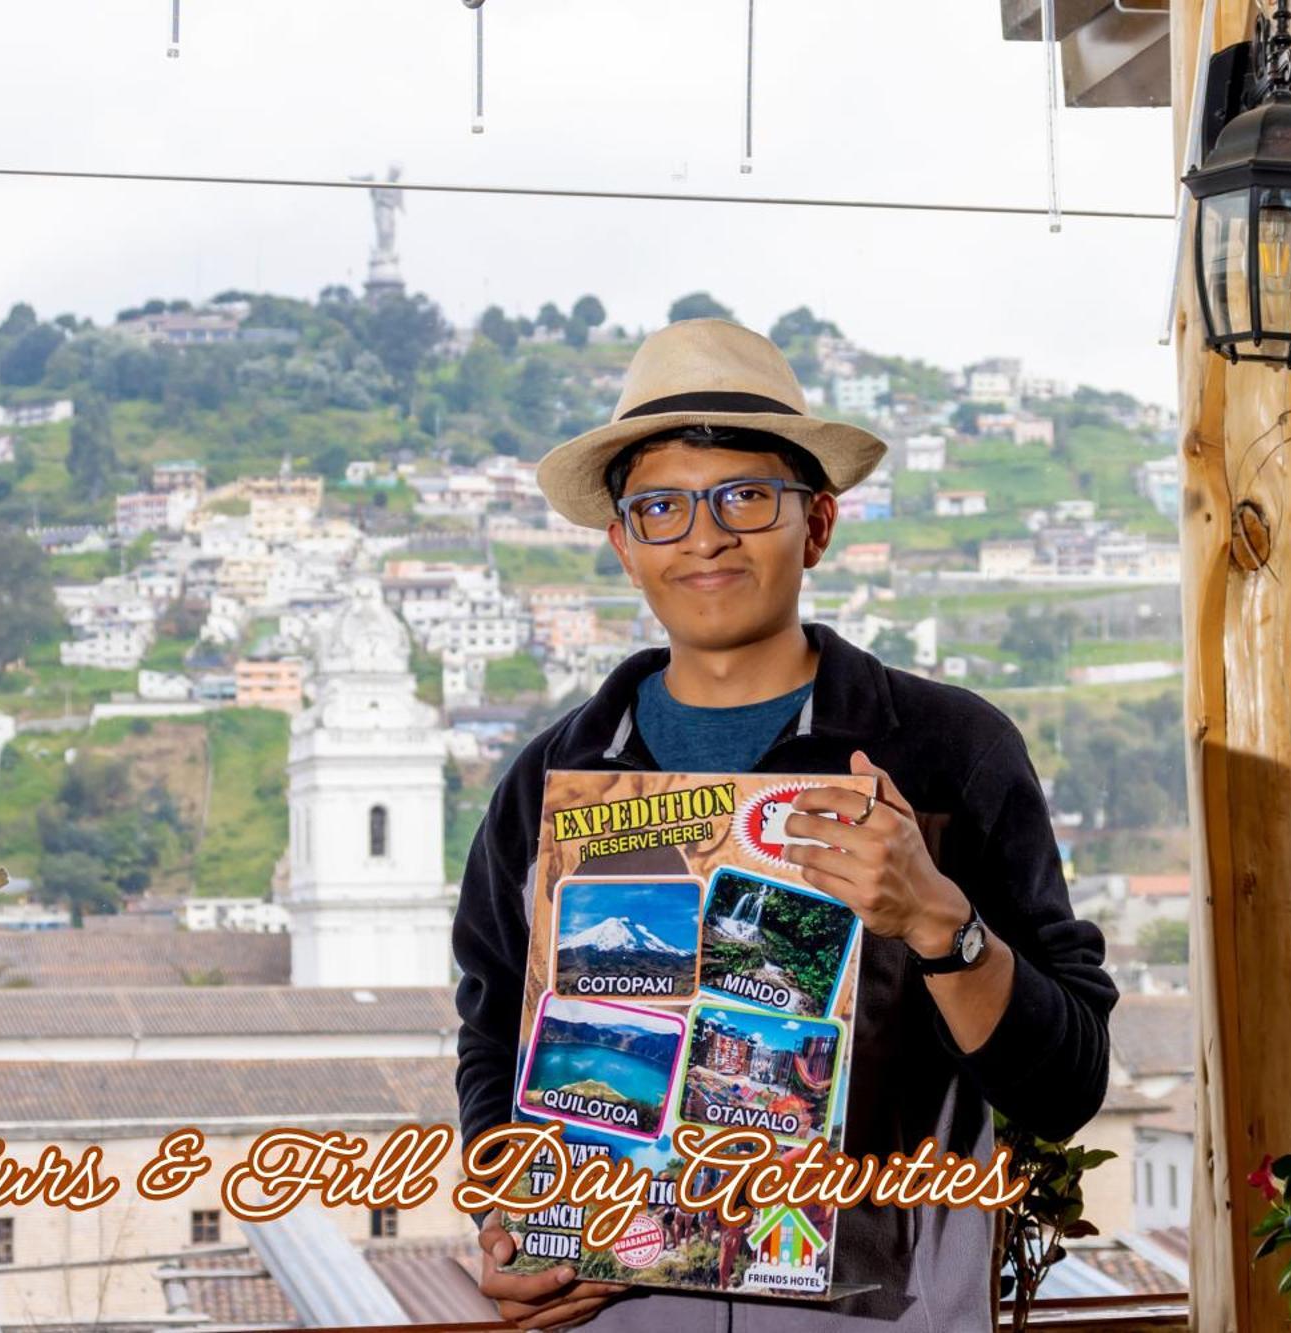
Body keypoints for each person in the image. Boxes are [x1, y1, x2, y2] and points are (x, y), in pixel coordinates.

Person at [452, 319, 1119, 1331]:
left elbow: (1061, 1086)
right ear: (623, 543)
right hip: (616, 1312)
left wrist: (942, 923)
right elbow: (496, 1027)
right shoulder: (549, 780)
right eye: (662, 507)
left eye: (746, 497)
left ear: (816, 525)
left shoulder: (950, 751)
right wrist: (507, 1213)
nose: (706, 535)